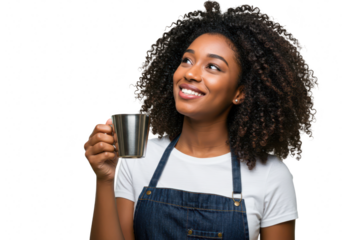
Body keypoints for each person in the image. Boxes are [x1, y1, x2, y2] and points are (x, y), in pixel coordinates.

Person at [84, 1, 319, 239]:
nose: (190, 73)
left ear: (240, 93)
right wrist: (105, 179)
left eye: (213, 67)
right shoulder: (140, 160)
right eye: (187, 60)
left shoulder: (271, 177)